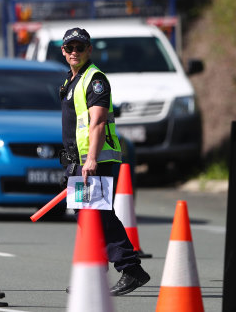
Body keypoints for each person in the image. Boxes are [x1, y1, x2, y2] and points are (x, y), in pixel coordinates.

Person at [59, 27, 150, 296]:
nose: (74, 52)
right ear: (63, 51)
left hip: (95, 161)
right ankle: (94, 273)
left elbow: (97, 121)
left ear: (89, 49)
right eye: (70, 48)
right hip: (79, 161)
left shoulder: (95, 79)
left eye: (79, 47)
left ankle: (130, 268)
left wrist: (91, 160)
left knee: (98, 215)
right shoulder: (71, 80)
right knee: (88, 217)